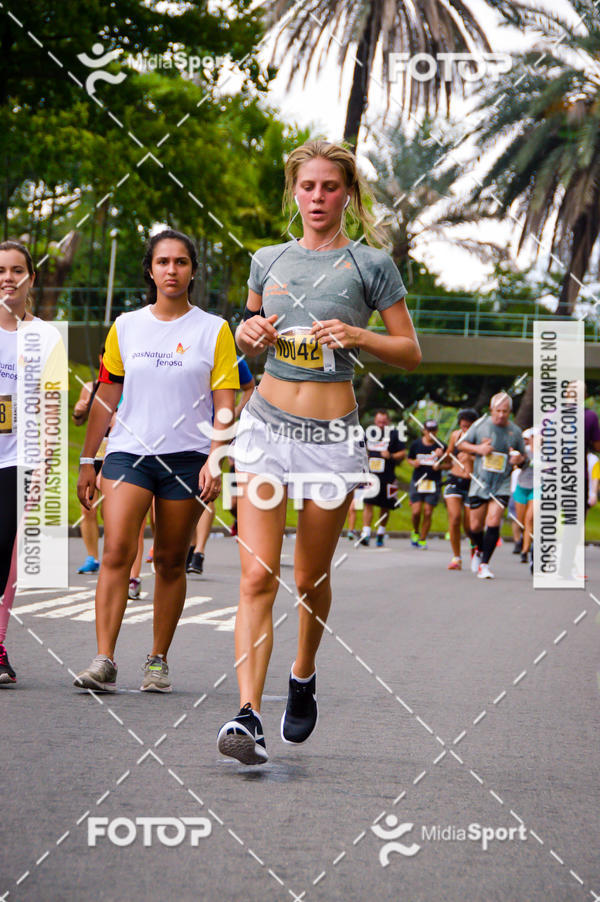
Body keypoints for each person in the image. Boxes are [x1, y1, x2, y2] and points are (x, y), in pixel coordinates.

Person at [217, 139, 420, 765]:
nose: (318, 197)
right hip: (265, 429)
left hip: (331, 438)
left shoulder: (371, 265)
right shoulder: (268, 259)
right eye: (307, 186)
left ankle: (302, 672)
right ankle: (247, 715)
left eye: (330, 187)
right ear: (294, 192)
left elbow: (410, 350)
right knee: (257, 575)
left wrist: (359, 334)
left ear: (347, 194)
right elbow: (247, 336)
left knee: (309, 577)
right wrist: (247, 332)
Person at [74, 228, 238, 692]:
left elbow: (225, 403)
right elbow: (106, 396)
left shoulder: (214, 330)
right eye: (163, 262)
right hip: (129, 452)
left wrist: (215, 458)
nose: (172, 270)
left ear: (192, 271)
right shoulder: (126, 326)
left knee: (169, 560)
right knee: (117, 550)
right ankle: (104, 659)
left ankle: (157, 659)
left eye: (181, 262)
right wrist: (88, 459)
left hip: (187, 457)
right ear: (150, 269)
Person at [0, 241, 64, 684]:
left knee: (5, 553)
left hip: (17, 460)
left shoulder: (47, 337)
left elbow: (51, 406)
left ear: (31, 278)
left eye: (16, 270)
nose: (8, 278)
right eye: (1, 270)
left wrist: (45, 464)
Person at [186, 357, 255, 574]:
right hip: (185, 430)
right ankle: (190, 547)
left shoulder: (233, 358)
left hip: (215, 432)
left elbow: (250, 387)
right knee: (186, 492)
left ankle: (198, 552)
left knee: (205, 487)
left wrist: (237, 411)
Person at [458, 392, 526, 579]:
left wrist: (518, 459)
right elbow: (461, 445)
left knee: (493, 521)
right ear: (491, 409)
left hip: (501, 484)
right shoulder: (480, 425)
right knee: (474, 526)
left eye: (505, 411)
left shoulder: (515, 432)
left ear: (510, 411)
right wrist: (478, 449)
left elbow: (523, 458)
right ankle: (478, 551)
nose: (501, 415)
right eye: (498, 411)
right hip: (480, 482)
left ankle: (485, 565)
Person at [355, 410, 405, 547]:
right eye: (378, 422)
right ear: (375, 421)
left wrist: (391, 455)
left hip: (387, 477)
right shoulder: (369, 433)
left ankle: (381, 533)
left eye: (383, 422)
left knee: (385, 506)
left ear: (388, 422)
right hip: (371, 476)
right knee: (368, 503)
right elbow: (360, 448)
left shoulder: (394, 434)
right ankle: (365, 534)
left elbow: (403, 453)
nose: (381, 424)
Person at [442, 408, 477, 569]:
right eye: (463, 426)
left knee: (470, 526)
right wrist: (441, 456)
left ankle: (475, 549)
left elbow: (487, 460)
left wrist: (471, 457)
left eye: (469, 426)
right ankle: (456, 557)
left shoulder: (480, 439)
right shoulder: (455, 436)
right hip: (455, 480)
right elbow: (448, 455)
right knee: (455, 518)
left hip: (472, 483)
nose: (466, 429)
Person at [407, 420, 445, 549]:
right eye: (428, 430)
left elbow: (450, 464)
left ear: (437, 431)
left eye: (433, 430)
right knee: (416, 512)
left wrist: (440, 465)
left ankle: (422, 539)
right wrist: (414, 463)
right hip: (418, 481)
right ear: (424, 431)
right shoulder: (416, 444)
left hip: (433, 482)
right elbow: (409, 458)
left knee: (428, 512)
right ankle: (415, 531)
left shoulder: (441, 446)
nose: (431, 433)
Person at [514, 427, 535, 565]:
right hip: (522, 487)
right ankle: (523, 539)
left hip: (537, 488)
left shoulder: (547, 453)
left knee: (529, 519)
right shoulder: (524, 451)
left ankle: (525, 550)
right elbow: (517, 464)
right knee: (521, 521)